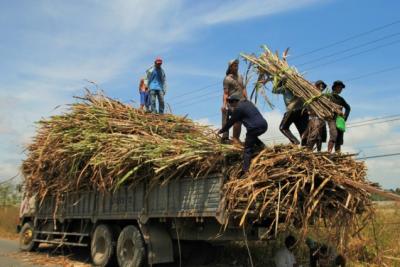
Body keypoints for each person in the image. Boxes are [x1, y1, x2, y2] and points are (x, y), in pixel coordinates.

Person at [218, 95, 267, 173]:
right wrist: (228, 112)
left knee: (247, 149)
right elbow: (238, 114)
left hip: (254, 128)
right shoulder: (248, 103)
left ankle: (245, 170)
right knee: (251, 138)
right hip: (264, 125)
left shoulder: (238, 109)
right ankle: (263, 147)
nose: (230, 105)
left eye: (230, 102)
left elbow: (231, 121)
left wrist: (222, 130)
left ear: (235, 101)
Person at [273, 77, 308, 145]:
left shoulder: (285, 88)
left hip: (293, 111)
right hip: (303, 111)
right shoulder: (300, 88)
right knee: (303, 131)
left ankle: (295, 142)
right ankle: (305, 147)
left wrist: (279, 82)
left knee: (283, 127)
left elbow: (274, 90)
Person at [222, 59, 248, 143]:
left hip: (241, 101)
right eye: (234, 65)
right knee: (227, 114)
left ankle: (237, 137)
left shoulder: (240, 76)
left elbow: (243, 89)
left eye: (237, 65)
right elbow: (225, 93)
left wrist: (247, 100)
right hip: (232, 102)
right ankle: (225, 137)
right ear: (230, 67)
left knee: (241, 120)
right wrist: (224, 104)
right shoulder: (227, 79)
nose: (236, 67)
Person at [303, 80, 328, 151]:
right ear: (316, 86)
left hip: (320, 119)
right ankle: (309, 150)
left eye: (323, 86)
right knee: (312, 136)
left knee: (318, 136)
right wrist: (309, 111)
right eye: (320, 85)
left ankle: (318, 152)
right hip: (313, 119)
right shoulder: (311, 96)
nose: (322, 87)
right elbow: (307, 107)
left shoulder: (323, 98)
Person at [327, 80, 351, 153]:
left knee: (339, 137)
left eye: (341, 88)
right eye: (339, 87)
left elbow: (348, 107)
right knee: (334, 135)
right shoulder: (328, 96)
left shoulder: (340, 99)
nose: (341, 89)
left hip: (339, 120)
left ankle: (338, 154)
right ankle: (329, 152)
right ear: (334, 87)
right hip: (331, 119)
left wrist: (345, 117)